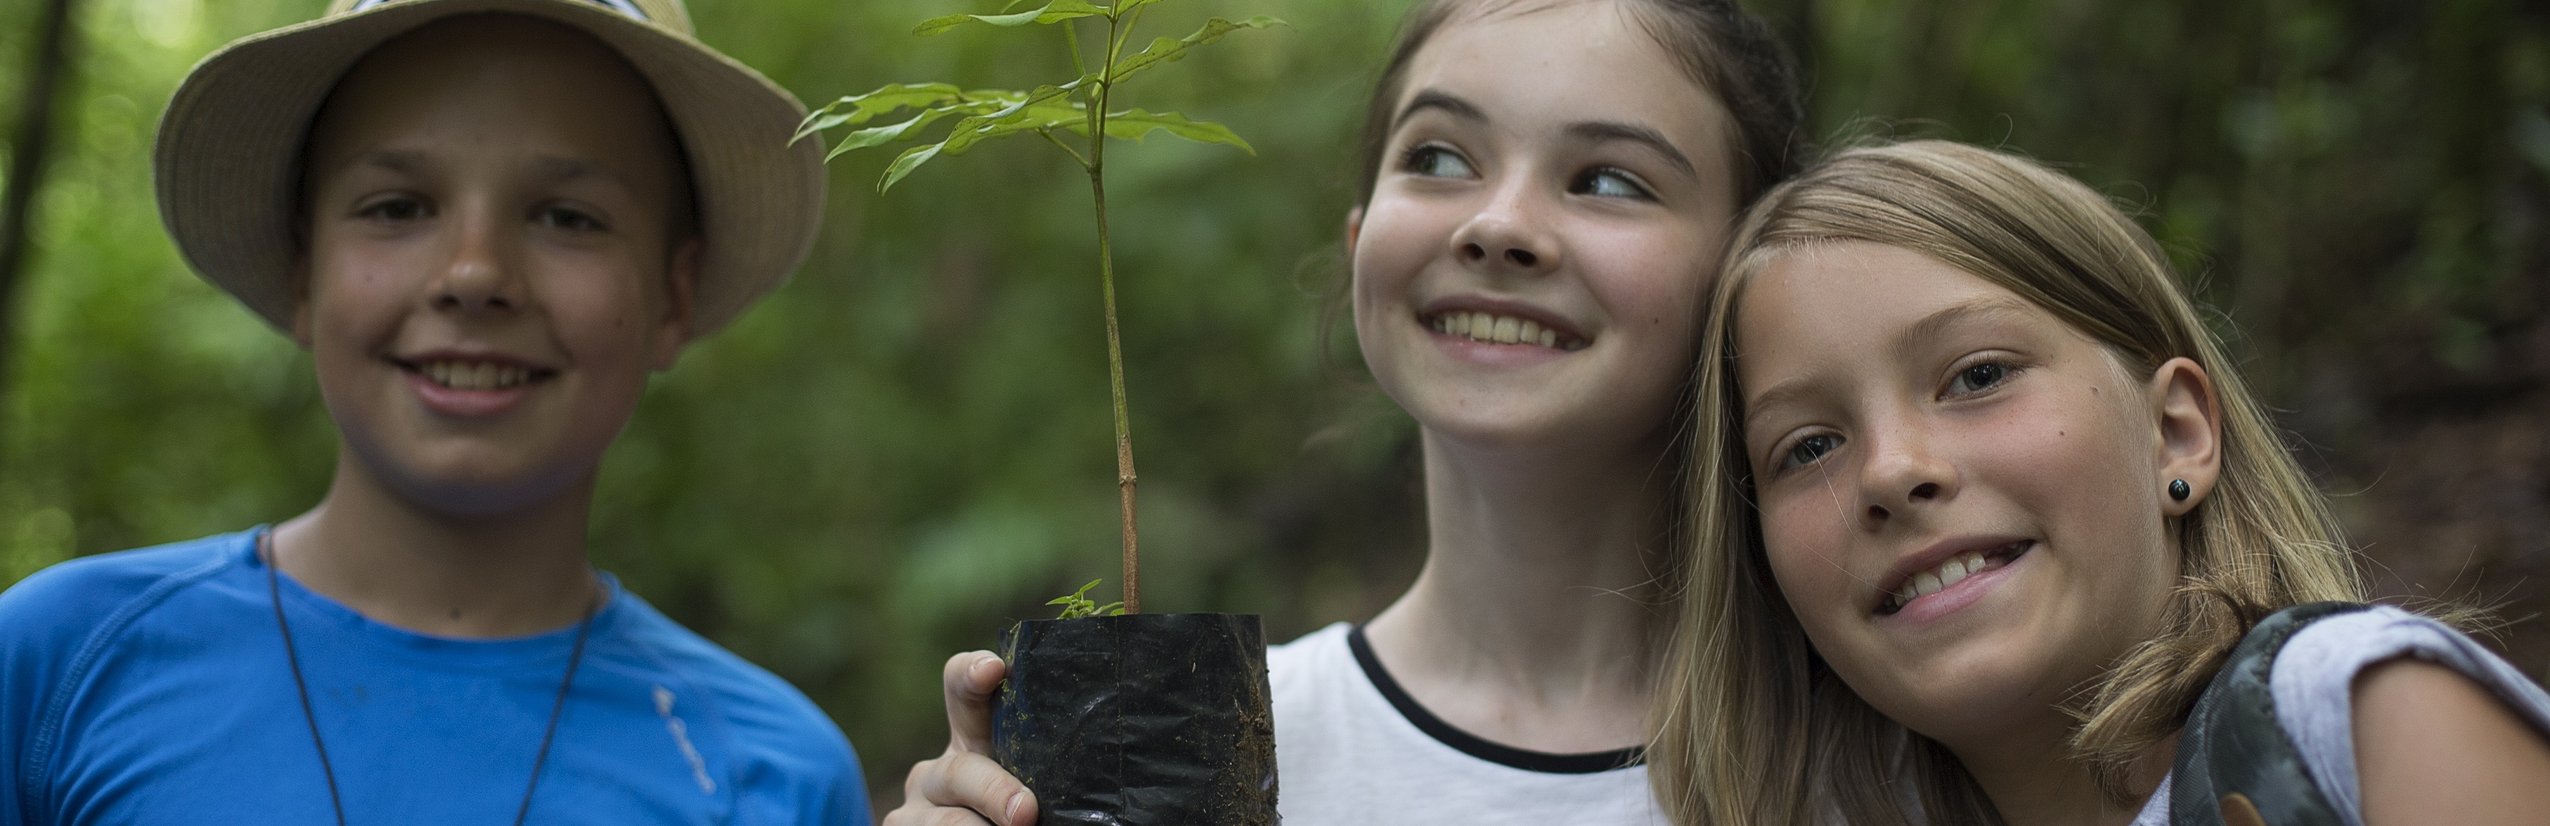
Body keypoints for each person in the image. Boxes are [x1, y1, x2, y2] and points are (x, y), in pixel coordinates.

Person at [886, 0, 1802, 823]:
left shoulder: (1886, 752)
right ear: (1361, 239)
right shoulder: (1211, 749)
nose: (1496, 225)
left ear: (1751, 271)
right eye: (1439, 157)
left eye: (1609, 179)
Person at [0, 0, 867, 823]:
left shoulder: (771, 774)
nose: (474, 274)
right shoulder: (63, 669)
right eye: (398, 207)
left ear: (671, 299)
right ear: (305, 271)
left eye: (568, 217)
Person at [1648, 139, 2550, 825]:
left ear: (2176, 433)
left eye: (1978, 376)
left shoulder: (2343, 713)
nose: (1889, 471)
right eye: (1808, 448)